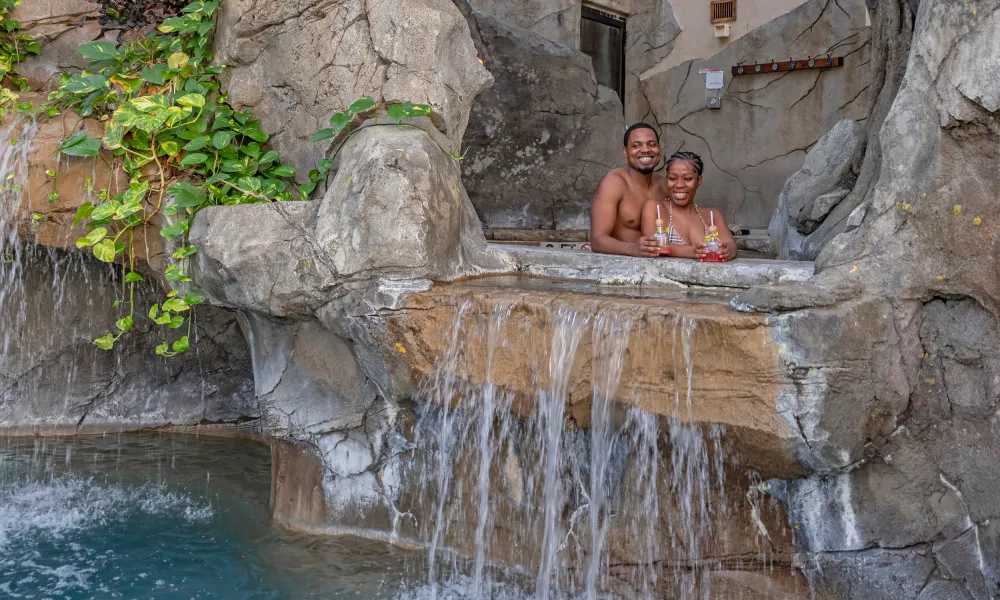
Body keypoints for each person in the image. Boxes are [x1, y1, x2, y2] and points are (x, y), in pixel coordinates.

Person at [640, 151, 737, 261]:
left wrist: (727, 251)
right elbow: (654, 245)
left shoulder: (712, 215)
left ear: (698, 180)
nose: (679, 185)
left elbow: (731, 245)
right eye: (672, 178)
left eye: (687, 179)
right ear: (666, 179)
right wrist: (693, 251)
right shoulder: (655, 209)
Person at [589, 123, 665, 257]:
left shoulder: (665, 185)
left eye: (652, 144)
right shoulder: (614, 182)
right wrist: (632, 248)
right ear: (625, 151)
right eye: (636, 146)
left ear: (659, 148)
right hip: (622, 271)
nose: (645, 150)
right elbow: (597, 239)